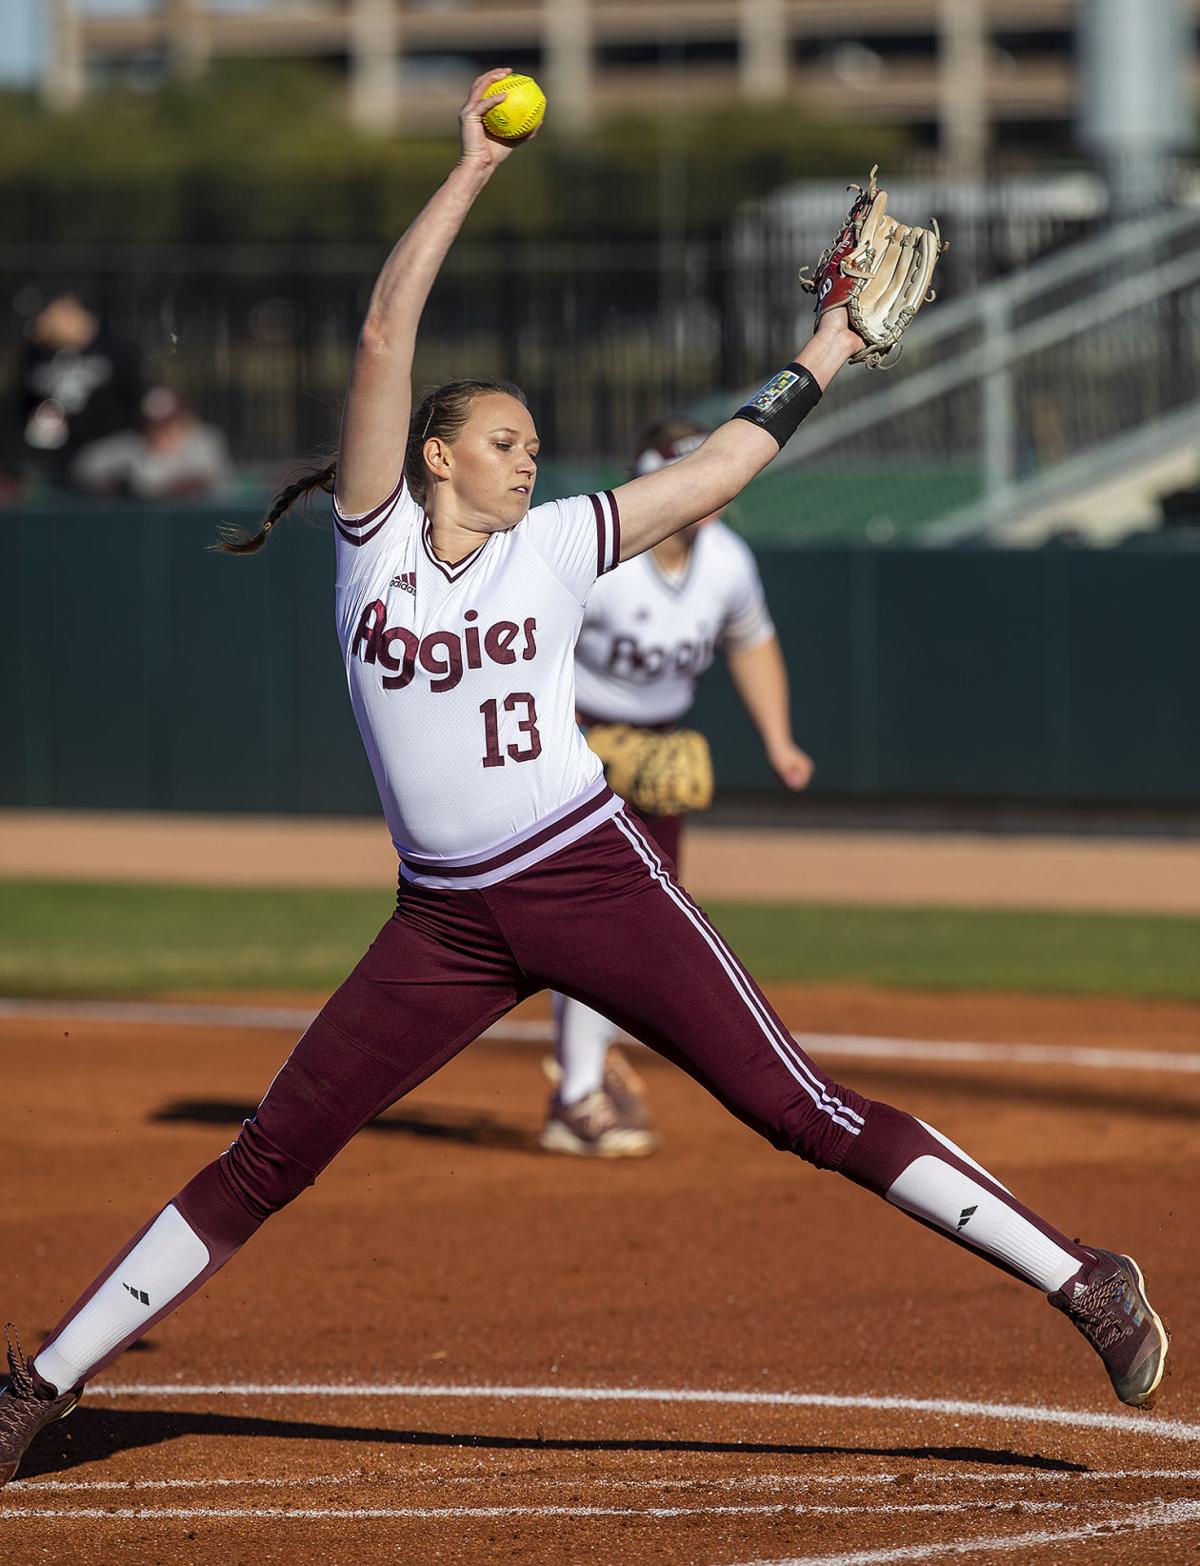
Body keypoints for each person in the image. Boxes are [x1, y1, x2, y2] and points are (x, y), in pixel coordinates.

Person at [0, 71, 1168, 1485]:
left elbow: (723, 468)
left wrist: (829, 348)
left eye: (535, 446)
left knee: (799, 1108)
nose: (526, 457)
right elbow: (384, 327)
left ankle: (1083, 1277)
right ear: (434, 455)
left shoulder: (551, 546)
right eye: (503, 440)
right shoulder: (368, 543)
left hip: (588, 874)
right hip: (439, 921)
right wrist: (471, 175)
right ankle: (40, 1383)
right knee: (270, 1152)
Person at [541, 416, 814, 1157]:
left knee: (637, 924)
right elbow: (525, 660)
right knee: (595, 925)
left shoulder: (725, 561)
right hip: (572, 743)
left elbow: (751, 641)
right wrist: (572, 745)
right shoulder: (603, 557)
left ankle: (584, 1064)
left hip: (657, 755)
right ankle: (576, 1092)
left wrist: (779, 740)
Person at [16, 292, 143, 490]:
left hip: (108, 453)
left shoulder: (114, 347)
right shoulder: (37, 352)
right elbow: (24, 400)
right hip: (54, 455)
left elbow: (135, 398)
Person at [71, 386, 233, 502]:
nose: (160, 430)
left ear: (185, 419)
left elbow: (200, 479)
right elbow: (85, 466)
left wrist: (146, 488)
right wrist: (118, 484)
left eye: (169, 423)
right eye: (153, 424)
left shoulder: (205, 443)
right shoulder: (131, 445)